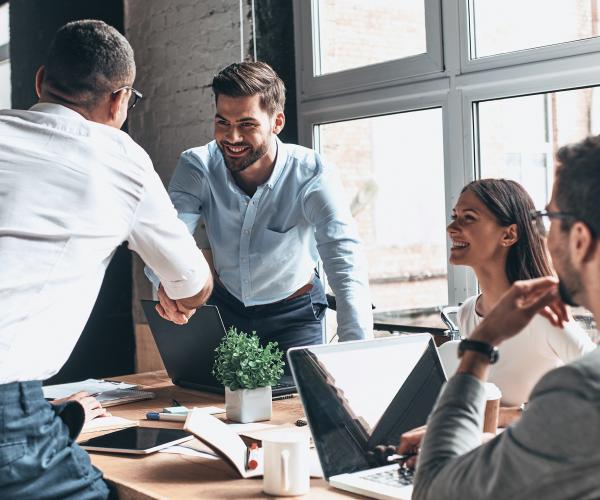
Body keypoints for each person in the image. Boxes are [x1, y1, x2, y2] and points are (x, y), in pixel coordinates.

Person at [0, 20, 213, 498]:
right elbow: (193, 284)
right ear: (120, 101)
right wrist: (178, 293)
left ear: (39, 82)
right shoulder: (120, 158)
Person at [399, 135, 600, 499]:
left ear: (581, 239)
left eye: (550, 219)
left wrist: (479, 349)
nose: (544, 235)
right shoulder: (466, 312)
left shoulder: (579, 387)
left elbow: (433, 491)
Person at [147, 61, 373, 355]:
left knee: (299, 400)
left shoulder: (313, 174)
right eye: (222, 123)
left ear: (277, 122)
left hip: (294, 315)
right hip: (224, 308)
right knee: (209, 399)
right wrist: (168, 285)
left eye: (247, 124)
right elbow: (167, 237)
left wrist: (356, 353)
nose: (232, 137)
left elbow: (345, 261)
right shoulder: (197, 165)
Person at [446, 179, 594, 421]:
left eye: (469, 218)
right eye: (455, 216)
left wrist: (504, 415)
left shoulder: (543, 315)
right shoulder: (468, 312)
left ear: (509, 234)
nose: (452, 227)